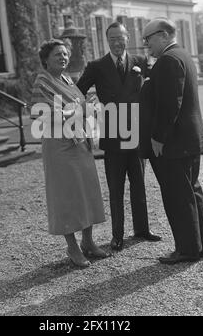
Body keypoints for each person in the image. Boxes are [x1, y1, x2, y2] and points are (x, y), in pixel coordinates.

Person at [77, 22, 161, 251]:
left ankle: (142, 229)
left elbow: (156, 87)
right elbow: (77, 91)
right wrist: (88, 108)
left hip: (136, 133)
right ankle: (118, 235)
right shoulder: (97, 66)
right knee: (116, 188)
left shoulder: (140, 62)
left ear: (127, 38)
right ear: (107, 40)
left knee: (139, 185)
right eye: (112, 38)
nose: (116, 42)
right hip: (113, 136)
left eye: (120, 38)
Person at [140, 18, 203, 264]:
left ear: (162, 35)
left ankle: (187, 249)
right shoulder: (182, 55)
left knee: (178, 197)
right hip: (188, 140)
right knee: (192, 193)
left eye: (147, 39)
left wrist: (158, 137)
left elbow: (171, 104)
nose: (145, 44)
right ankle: (201, 246)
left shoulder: (168, 61)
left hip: (175, 143)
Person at [32, 39, 108, 268]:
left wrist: (88, 108)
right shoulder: (42, 81)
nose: (63, 58)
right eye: (57, 54)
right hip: (59, 147)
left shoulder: (68, 79)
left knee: (86, 191)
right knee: (66, 195)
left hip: (79, 142)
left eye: (65, 54)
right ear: (46, 59)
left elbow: (80, 107)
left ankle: (88, 241)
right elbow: (40, 115)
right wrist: (79, 110)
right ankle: (72, 246)